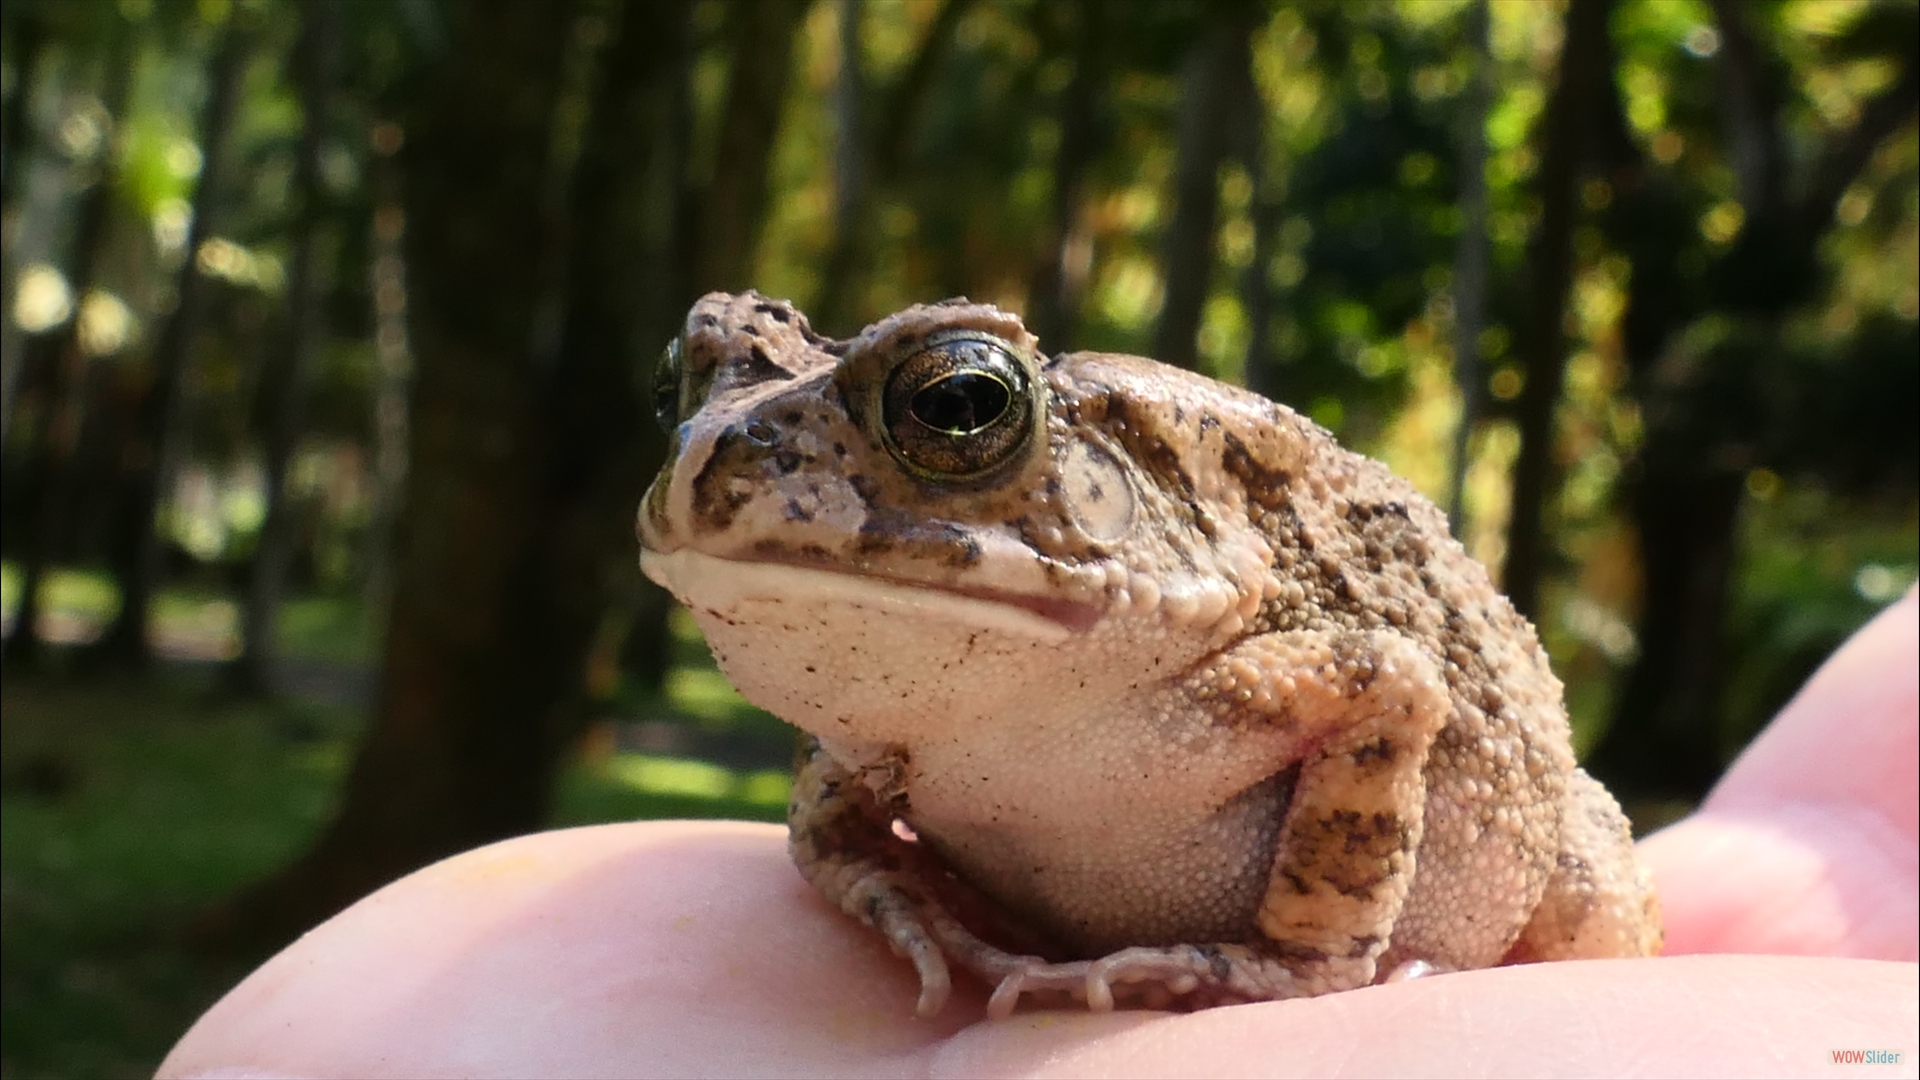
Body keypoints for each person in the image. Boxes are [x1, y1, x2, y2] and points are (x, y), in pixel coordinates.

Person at [160, 589, 1918, 1078]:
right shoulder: (910, 671)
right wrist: (868, 874)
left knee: (1609, 910)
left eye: (944, 423)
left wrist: (1299, 963)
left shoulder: (1222, 648)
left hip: (1520, 875)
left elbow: (1390, 683)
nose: (735, 452)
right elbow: (852, 774)